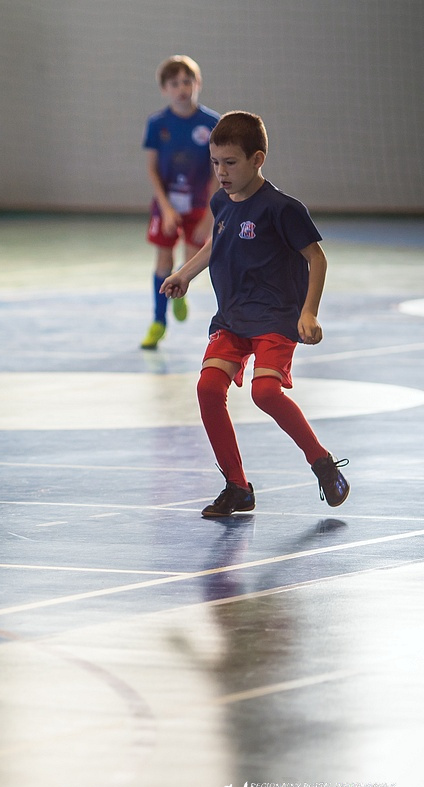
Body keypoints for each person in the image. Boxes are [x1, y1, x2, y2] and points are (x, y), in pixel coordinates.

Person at [161, 110, 350, 518]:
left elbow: (317, 258)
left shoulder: (282, 208)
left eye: (230, 163)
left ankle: (321, 462)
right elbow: (216, 242)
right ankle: (237, 487)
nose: (221, 172)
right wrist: (184, 273)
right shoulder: (221, 202)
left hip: (276, 317)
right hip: (232, 317)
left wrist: (309, 313)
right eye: (215, 162)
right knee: (208, 388)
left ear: (257, 159)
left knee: (265, 392)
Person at [140, 55, 220, 350]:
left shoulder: (212, 123)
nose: (182, 88)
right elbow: (152, 169)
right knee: (163, 259)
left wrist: (209, 215)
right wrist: (165, 208)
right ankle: (158, 322)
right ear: (165, 89)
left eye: (187, 82)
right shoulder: (157, 123)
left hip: (198, 205)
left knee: (193, 259)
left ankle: (179, 286)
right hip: (167, 204)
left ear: (198, 84)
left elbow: (217, 171)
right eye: (174, 84)